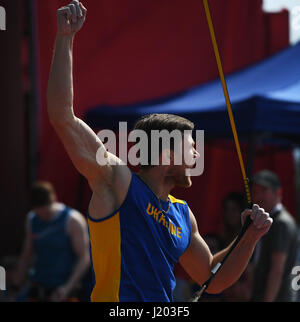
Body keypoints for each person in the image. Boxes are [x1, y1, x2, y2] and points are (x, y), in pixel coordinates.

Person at [47, 0, 273, 302]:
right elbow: (63, 116)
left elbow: (211, 278)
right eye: (191, 146)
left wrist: (249, 238)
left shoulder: (183, 214)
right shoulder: (117, 181)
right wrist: (65, 38)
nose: (196, 155)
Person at [12, 181, 90, 302]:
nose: (43, 216)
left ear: (53, 201)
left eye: (46, 211)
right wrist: (15, 287)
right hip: (39, 286)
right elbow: (26, 255)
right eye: (39, 212)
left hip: (65, 289)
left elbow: (84, 258)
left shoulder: (73, 220)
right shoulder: (32, 219)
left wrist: (67, 287)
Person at [251, 170, 298, 302]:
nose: (258, 196)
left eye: (264, 190)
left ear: (278, 193)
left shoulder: (281, 223)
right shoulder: (271, 220)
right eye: (255, 191)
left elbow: (277, 269)